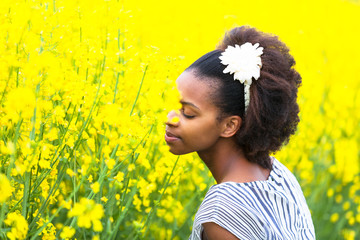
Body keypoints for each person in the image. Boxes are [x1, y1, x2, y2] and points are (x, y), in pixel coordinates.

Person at [164, 26, 315, 240]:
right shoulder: (278, 173)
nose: (170, 118)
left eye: (188, 113)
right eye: (172, 104)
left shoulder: (222, 211)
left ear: (229, 126)